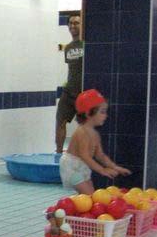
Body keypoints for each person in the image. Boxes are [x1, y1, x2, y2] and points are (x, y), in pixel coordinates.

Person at [59, 89, 131, 194]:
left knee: (90, 194)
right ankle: (70, 208)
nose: (105, 115)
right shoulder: (82, 132)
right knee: (89, 195)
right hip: (72, 167)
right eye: (102, 112)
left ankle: (77, 207)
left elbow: (100, 156)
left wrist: (115, 167)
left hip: (82, 167)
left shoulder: (95, 134)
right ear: (88, 113)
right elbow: (85, 156)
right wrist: (103, 170)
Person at [56, 15, 83, 154]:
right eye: (71, 23)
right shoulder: (68, 48)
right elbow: (72, 69)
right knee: (60, 120)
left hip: (83, 92)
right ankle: (59, 153)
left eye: (76, 23)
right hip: (69, 91)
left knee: (84, 125)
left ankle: (82, 154)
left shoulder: (86, 44)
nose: (73, 26)